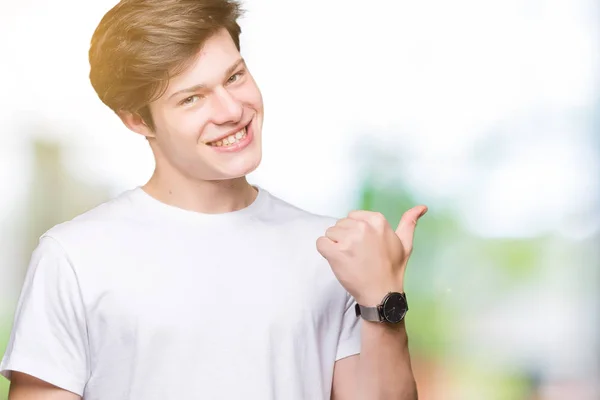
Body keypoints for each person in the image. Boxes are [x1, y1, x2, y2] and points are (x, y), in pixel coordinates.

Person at [0, 0, 427, 399]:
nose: (231, 110)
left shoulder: (329, 251)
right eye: (192, 98)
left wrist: (383, 298)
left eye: (234, 77)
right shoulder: (74, 257)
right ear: (135, 119)